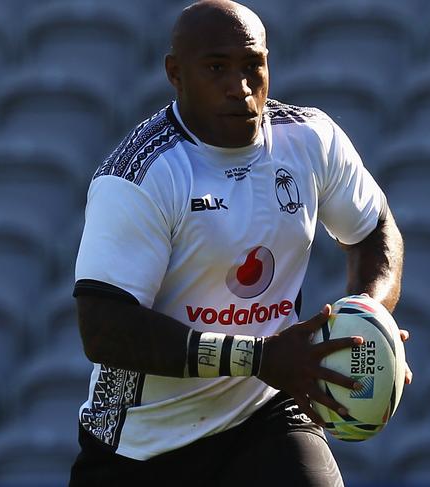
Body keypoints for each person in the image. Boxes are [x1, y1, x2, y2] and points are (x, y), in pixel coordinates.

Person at [69, 1, 411, 485]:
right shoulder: (141, 175)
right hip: (141, 444)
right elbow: (103, 329)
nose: (241, 86)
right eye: (216, 68)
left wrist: (369, 313)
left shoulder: (310, 140)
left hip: (264, 415)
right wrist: (260, 357)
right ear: (175, 73)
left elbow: (375, 231)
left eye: (254, 66)